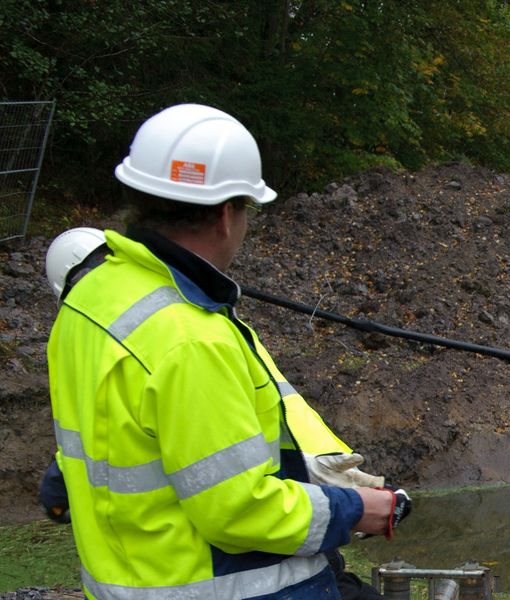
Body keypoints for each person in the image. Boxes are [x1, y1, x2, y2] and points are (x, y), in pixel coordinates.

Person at [48, 104, 403, 599]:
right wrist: (361, 509)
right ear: (224, 215)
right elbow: (238, 509)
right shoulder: (189, 337)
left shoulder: (92, 299)